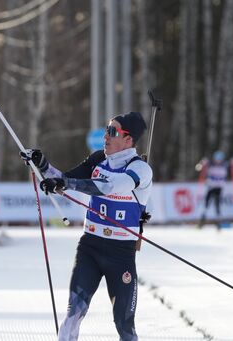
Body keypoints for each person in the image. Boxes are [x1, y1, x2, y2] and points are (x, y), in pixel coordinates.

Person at [22, 111, 152, 341]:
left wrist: (65, 182)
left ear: (128, 139)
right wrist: (41, 165)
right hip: (89, 247)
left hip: (120, 253)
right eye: (106, 130)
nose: (106, 136)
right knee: (73, 315)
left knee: (124, 324)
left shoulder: (140, 169)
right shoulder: (98, 159)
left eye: (113, 132)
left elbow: (109, 187)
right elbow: (63, 178)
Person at [198, 150, 228, 228]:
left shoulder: (224, 166)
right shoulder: (210, 165)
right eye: (217, 159)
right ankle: (202, 219)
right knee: (206, 203)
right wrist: (202, 163)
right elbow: (198, 167)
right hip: (211, 187)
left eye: (219, 159)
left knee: (217, 204)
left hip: (218, 188)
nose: (218, 161)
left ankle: (218, 222)